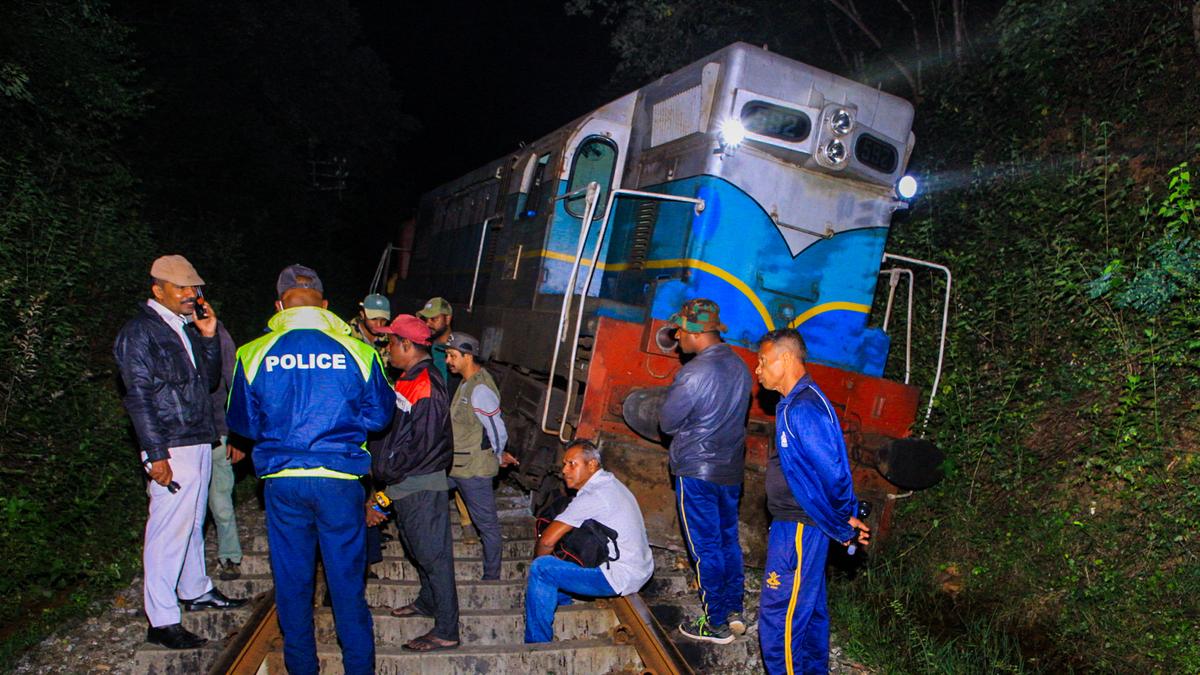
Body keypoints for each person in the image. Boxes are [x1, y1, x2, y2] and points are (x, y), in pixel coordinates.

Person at [225, 264, 394, 675]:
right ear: (324, 304)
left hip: (283, 482)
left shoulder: (252, 352)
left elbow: (242, 424)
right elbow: (380, 417)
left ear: (279, 305)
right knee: (347, 586)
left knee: (293, 584)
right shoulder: (360, 351)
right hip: (338, 481)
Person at [113, 254, 247, 650]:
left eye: (195, 288)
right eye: (182, 289)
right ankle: (162, 618)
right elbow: (137, 397)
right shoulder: (140, 332)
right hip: (171, 442)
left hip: (196, 436)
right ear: (158, 290)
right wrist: (156, 453)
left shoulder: (180, 327)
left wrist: (207, 337)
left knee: (190, 522)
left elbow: (204, 383)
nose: (192, 295)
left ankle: (195, 588)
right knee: (167, 529)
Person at [754, 328, 870, 675]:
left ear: (786, 359)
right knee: (810, 614)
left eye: (762, 361)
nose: (757, 371)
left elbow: (833, 471)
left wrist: (842, 519)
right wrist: (842, 518)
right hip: (802, 525)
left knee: (780, 620)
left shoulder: (803, 408)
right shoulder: (796, 403)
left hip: (800, 529)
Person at [659, 298, 753, 644]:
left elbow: (667, 422)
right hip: (730, 472)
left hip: (697, 471)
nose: (678, 337)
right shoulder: (741, 367)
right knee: (729, 540)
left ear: (695, 332)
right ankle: (733, 610)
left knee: (705, 548)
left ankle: (714, 623)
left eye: (681, 330)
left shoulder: (694, 372)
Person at [370, 314, 460, 651]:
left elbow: (421, 443)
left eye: (392, 342)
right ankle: (427, 601)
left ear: (408, 345)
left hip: (419, 483)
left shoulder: (425, 384)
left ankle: (448, 630)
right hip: (407, 481)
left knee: (435, 558)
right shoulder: (412, 378)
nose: (388, 347)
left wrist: (387, 471)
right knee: (418, 549)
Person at [525, 440, 654, 643]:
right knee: (565, 549)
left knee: (542, 568)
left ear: (592, 465)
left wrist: (535, 565)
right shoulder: (610, 483)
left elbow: (548, 540)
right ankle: (560, 598)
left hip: (620, 576)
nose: (565, 470)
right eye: (564, 464)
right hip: (641, 568)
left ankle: (537, 643)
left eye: (572, 464)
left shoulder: (595, 496)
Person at [443, 332, 518, 580]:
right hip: (457, 465)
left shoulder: (480, 389)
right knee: (426, 491)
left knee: (486, 524)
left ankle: (492, 575)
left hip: (474, 469)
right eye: (447, 355)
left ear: (468, 356)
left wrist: (496, 455)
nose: (448, 361)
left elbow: (497, 429)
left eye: (453, 356)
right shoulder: (467, 382)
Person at [209, 320, 245, 580]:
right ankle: (187, 572)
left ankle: (230, 556)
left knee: (221, 499)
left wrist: (238, 434)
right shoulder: (158, 331)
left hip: (216, 430)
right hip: (177, 438)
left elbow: (234, 383)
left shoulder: (217, 332)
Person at [416, 296, 453, 385]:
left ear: (447, 319)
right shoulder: (426, 346)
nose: (427, 324)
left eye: (433, 319)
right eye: (426, 319)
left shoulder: (456, 351)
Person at [348, 292, 391, 361]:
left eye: (383, 320)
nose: (379, 325)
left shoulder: (391, 339)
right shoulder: (346, 334)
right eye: (374, 319)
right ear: (362, 315)